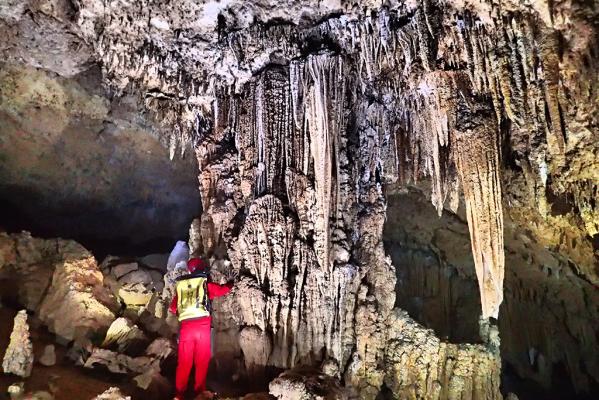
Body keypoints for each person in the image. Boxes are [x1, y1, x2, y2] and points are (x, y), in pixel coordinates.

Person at [169, 257, 233, 400]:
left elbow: (173, 308)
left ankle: (179, 395)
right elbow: (222, 290)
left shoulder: (182, 286)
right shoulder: (204, 283)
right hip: (202, 327)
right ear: (202, 268)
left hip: (186, 327)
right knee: (202, 360)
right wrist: (231, 283)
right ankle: (200, 391)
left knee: (184, 362)